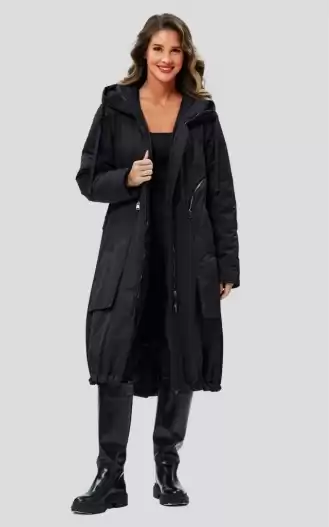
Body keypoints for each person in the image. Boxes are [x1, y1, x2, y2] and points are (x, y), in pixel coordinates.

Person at [71, 12, 240, 514]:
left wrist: (227, 265)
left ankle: (167, 469)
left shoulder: (201, 115)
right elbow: (87, 178)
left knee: (179, 357)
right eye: (158, 49)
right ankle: (110, 475)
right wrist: (125, 178)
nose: (167, 59)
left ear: (185, 57)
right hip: (128, 255)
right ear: (143, 52)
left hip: (187, 256)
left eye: (176, 50)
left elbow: (222, 195)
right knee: (114, 357)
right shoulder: (116, 106)